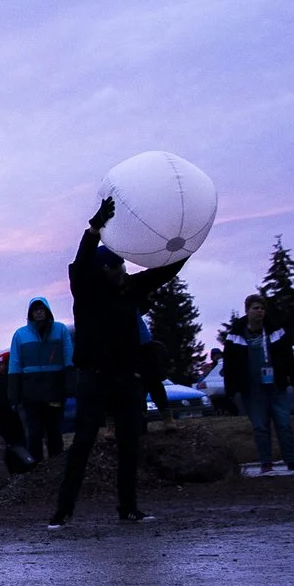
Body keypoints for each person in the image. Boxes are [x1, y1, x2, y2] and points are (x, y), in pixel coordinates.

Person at [50, 199, 189, 527]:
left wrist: (185, 247)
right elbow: (81, 263)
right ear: (104, 270)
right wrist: (94, 229)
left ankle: (128, 507)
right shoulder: (84, 290)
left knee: (130, 443)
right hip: (93, 379)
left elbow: (163, 273)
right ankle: (63, 511)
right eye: (118, 268)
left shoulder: (129, 290)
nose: (124, 272)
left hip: (127, 378)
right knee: (83, 443)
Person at [219, 295, 294, 474]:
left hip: (275, 386)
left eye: (262, 308)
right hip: (251, 389)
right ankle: (266, 463)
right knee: (260, 426)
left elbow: (287, 356)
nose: (259, 312)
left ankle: (292, 460)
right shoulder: (235, 335)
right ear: (247, 311)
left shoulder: (275, 331)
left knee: (284, 423)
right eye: (255, 308)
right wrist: (230, 390)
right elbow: (230, 365)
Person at [7, 298, 73, 461]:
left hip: (54, 390)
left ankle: (56, 465)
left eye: (41, 309)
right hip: (32, 394)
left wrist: (71, 385)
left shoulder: (60, 330)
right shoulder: (20, 335)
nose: (38, 312)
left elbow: (69, 357)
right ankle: (35, 469)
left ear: (47, 311)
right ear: (30, 313)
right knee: (34, 433)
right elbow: (14, 364)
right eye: (35, 309)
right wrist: (13, 394)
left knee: (54, 431)